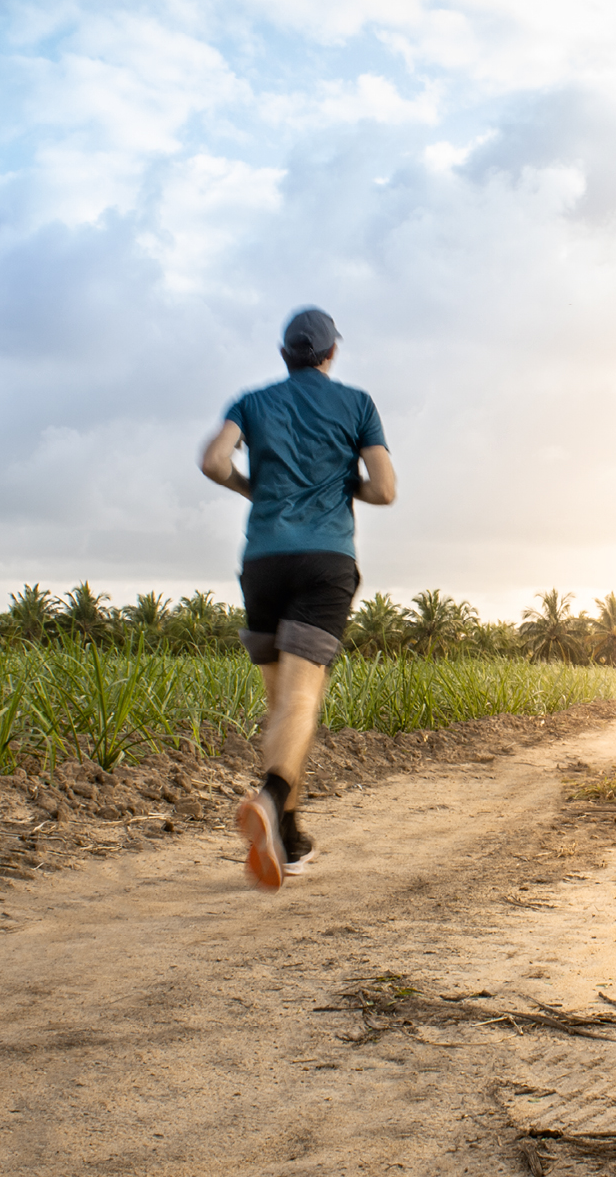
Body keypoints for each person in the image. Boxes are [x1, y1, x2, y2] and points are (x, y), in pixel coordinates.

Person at [200, 306, 395, 891]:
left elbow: (214, 461)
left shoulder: (252, 401)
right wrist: (345, 485)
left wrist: (250, 486)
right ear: (331, 353)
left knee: (281, 704)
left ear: (285, 354)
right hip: (323, 560)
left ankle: (288, 835)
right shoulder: (356, 403)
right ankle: (271, 795)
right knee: (301, 702)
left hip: (262, 562)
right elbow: (384, 489)